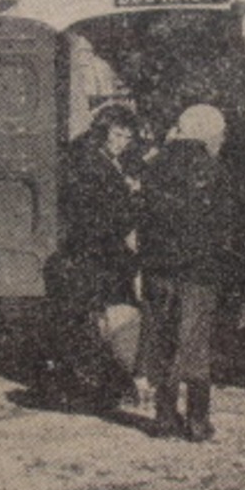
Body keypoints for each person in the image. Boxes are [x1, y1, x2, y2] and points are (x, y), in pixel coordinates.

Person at [138, 103, 237, 442]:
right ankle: (197, 422)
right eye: (220, 134)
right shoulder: (214, 170)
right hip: (198, 274)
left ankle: (164, 420)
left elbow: (144, 221)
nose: (222, 140)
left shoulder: (153, 167)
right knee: (195, 346)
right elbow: (225, 228)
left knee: (164, 343)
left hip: (158, 271)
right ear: (208, 133)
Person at [47, 104, 142, 412]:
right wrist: (127, 204)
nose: (122, 142)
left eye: (127, 137)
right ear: (103, 131)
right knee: (99, 321)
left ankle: (102, 386)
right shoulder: (90, 163)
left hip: (99, 252)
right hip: (94, 254)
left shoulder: (97, 157)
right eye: (117, 135)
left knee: (99, 321)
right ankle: (100, 388)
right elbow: (96, 213)